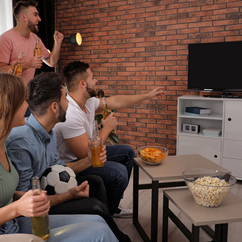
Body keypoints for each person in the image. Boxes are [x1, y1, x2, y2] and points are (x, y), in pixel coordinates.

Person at [0, 72, 117, 241]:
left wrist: (26, 198)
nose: (28, 106)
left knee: (99, 222)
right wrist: (17, 208)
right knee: (99, 232)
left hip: (13, 224)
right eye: (22, 101)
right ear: (4, 108)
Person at [6, 72, 131, 242]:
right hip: (33, 210)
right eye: (66, 99)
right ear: (54, 107)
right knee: (95, 207)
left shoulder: (48, 132)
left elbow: (61, 167)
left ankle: (108, 229)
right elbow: (25, 198)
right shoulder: (21, 141)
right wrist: (68, 196)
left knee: (95, 182)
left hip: (47, 191)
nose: (69, 104)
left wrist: (88, 160)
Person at [54, 61, 165, 217]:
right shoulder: (71, 113)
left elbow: (116, 101)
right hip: (75, 164)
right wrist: (106, 129)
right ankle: (107, 216)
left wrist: (148, 95)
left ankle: (112, 204)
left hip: (87, 156)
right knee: (118, 173)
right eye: (93, 77)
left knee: (127, 152)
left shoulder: (87, 102)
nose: (96, 81)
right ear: (83, 84)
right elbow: (86, 156)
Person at [0, 0, 63, 117]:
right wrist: (28, 65)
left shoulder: (35, 38)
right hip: (9, 99)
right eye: (35, 15)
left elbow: (52, 62)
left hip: (26, 98)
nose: (39, 19)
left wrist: (57, 43)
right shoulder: (5, 39)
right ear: (24, 17)